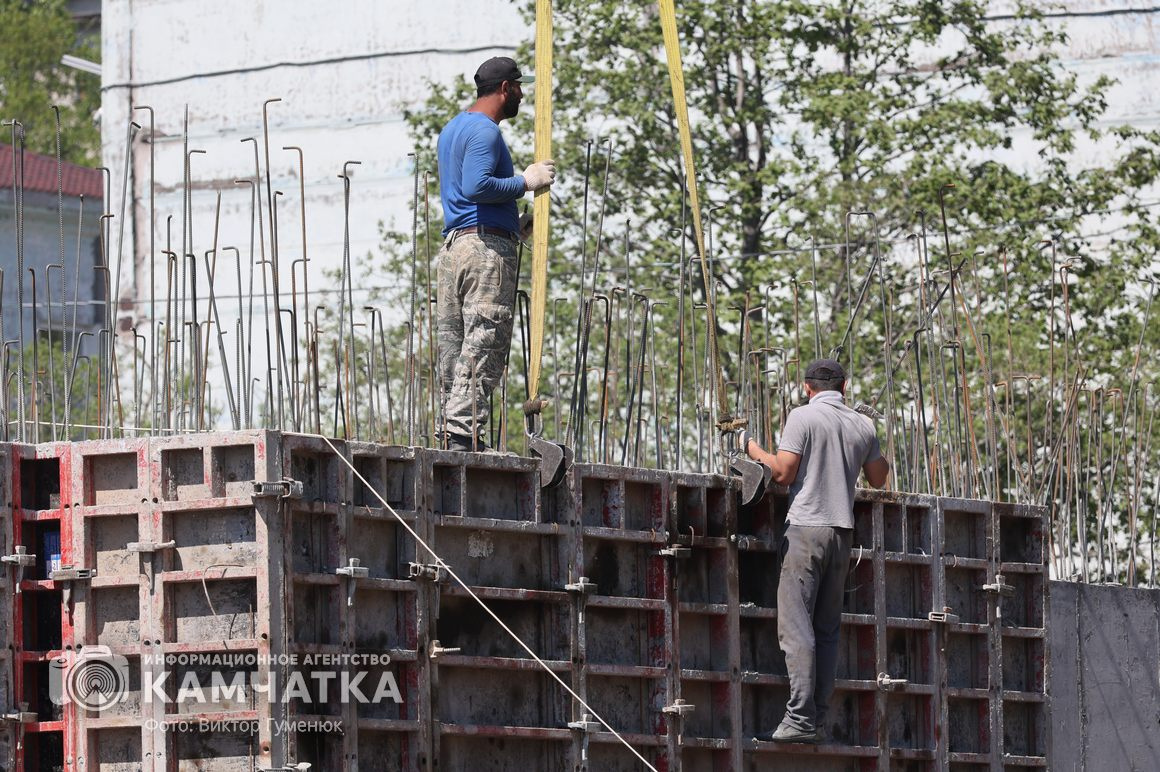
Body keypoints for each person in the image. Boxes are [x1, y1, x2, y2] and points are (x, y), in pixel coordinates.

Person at [741, 358, 889, 743]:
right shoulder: (862, 424)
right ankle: (818, 720)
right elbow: (878, 478)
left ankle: (799, 719)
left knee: (796, 628)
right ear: (844, 387)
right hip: (843, 534)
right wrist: (868, 435)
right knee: (826, 631)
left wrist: (752, 449)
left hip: (806, 529)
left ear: (808, 388)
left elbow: (782, 472)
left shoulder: (802, 417)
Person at [435, 56, 556, 451]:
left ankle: (450, 431)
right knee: (486, 337)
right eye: (519, 86)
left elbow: (466, 199)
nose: (522, 94)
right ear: (505, 88)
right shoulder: (485, 131)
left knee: (456, 344)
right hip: (485, 251)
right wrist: (525, 181)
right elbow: (477, 185)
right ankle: (462, 434)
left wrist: (512, 224)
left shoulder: (453, 129)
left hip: (457, 246)